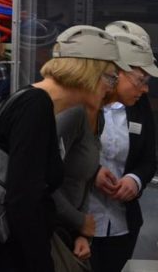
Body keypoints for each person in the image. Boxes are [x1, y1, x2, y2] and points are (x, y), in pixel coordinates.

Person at [0, 25, 122, 272]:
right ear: (88, 72)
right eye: (110, 77)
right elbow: (23, 201)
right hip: (1, 258)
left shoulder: (34, 101)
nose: (111, 86)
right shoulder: (35, 108)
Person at [50, 25, 131, 267]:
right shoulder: (71, 114)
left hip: (73, 232)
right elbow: (42, 182)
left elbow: (81, 179)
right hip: (51, 230)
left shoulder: (98, 116)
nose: (112, 83)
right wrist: (80, 222)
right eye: (110, 77)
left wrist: (82, 234)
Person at [87, 21, 158, 272]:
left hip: (121, 224)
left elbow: (148, 160)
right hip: (80, 225)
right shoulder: (80, 104)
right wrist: (92, 173)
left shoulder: (139, 105)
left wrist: (134, 180)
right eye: (140, 79)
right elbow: (57, 161)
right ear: (116, 70)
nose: (144, 88)